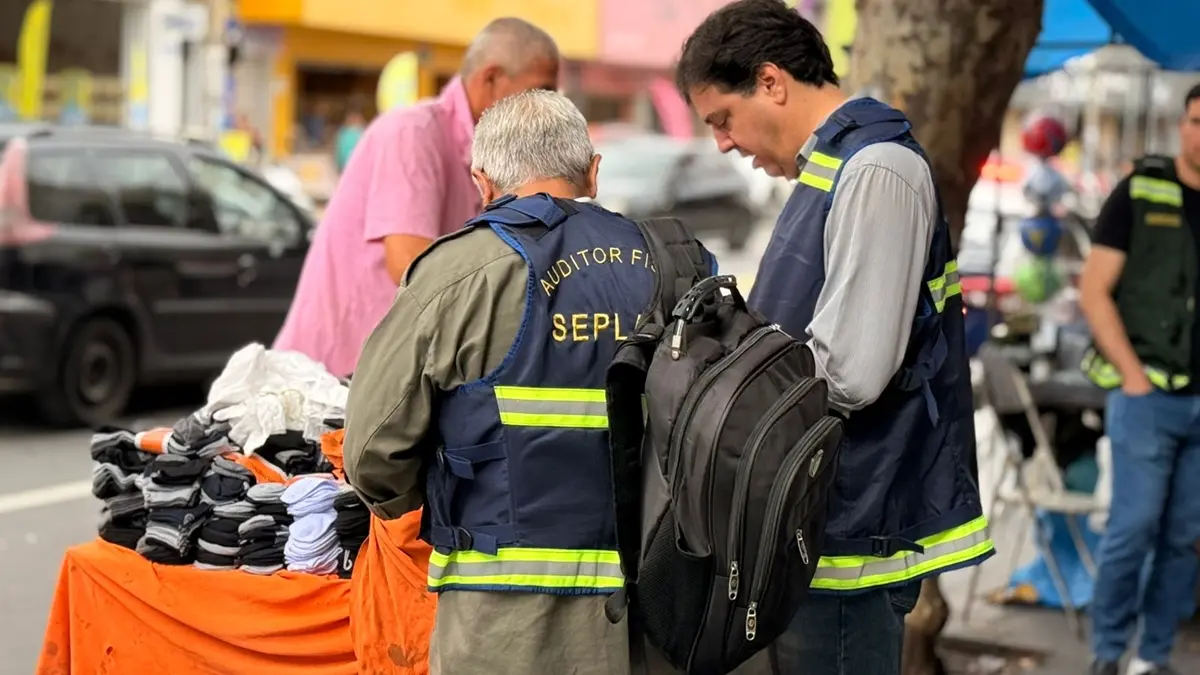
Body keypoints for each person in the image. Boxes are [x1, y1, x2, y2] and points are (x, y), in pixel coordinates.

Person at [342, 89, 717, 675]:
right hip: (659, 601)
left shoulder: (460, 272)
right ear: (593, 173)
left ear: (482, 180)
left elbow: (371, 449)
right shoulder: (676, 262)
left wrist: (418, 504)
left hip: (501, 614)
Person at [675, 1, 994, 674]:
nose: (724, 144)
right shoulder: (830, 164)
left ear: (770, 82)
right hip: (815, 519)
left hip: (851, 527)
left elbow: (848, 370)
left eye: (723, 119)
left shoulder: (877, 168)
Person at [273, 18, 560, 378]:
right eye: (541, 92)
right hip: (329, 381)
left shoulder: (489, 155)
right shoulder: (415, 133)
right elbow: (411, 265)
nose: (548, 109)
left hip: (386, 375)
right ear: (491, 79)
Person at [1079, 83, 1200, 675]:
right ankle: (1107, 653)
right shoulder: (1141, 189)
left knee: (1182, 540)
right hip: (1147, 396)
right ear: (1182, 124)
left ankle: (1152, 659)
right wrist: (1132, 377)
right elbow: (1093, 290)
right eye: (1198, 120)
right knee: (1132, 529)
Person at [334, 98, 367, 174]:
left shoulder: (363, 133)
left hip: (356, 169)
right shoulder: (344, 133)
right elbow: (339, 153)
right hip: (350, 168)